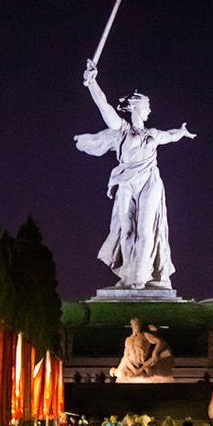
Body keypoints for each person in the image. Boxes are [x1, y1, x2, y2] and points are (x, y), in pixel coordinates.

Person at [76, 62, 196, 290]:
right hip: (126, 181)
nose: (150, 111)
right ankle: (129, 274)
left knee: (145, 229)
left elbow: (169, 135)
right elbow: (105, 107)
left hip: (149, 182)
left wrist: (181, 132)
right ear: (136, 108)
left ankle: (141, 275)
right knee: (127, 229)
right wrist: (92, 83)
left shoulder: (152, 134)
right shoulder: (121, 129)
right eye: (147, 107)